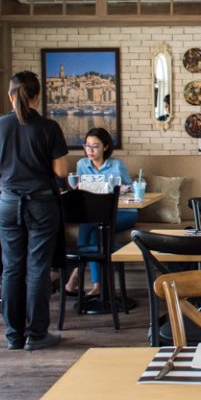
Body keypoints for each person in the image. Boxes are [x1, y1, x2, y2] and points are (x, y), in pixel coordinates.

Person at [0, 71, 69, 351]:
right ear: (37, 96)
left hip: (8, 204)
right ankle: (37, 334)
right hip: (41, 204)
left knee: (11, 269)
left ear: (9, 96)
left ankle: (14, 335)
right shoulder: (49, 127)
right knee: (38, 268)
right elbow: (61, 171)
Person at [64, 127, 137, 297]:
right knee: (95, 233)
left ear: (105, 147)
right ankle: (97, 286)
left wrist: (124, 188)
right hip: (96, 214)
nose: (90, 150)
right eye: (87, 146)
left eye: (95, 146)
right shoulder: (82, 165)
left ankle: (75, 275)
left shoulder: (117, 165)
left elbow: (132, 189)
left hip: (124, 213)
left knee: (89, 225)